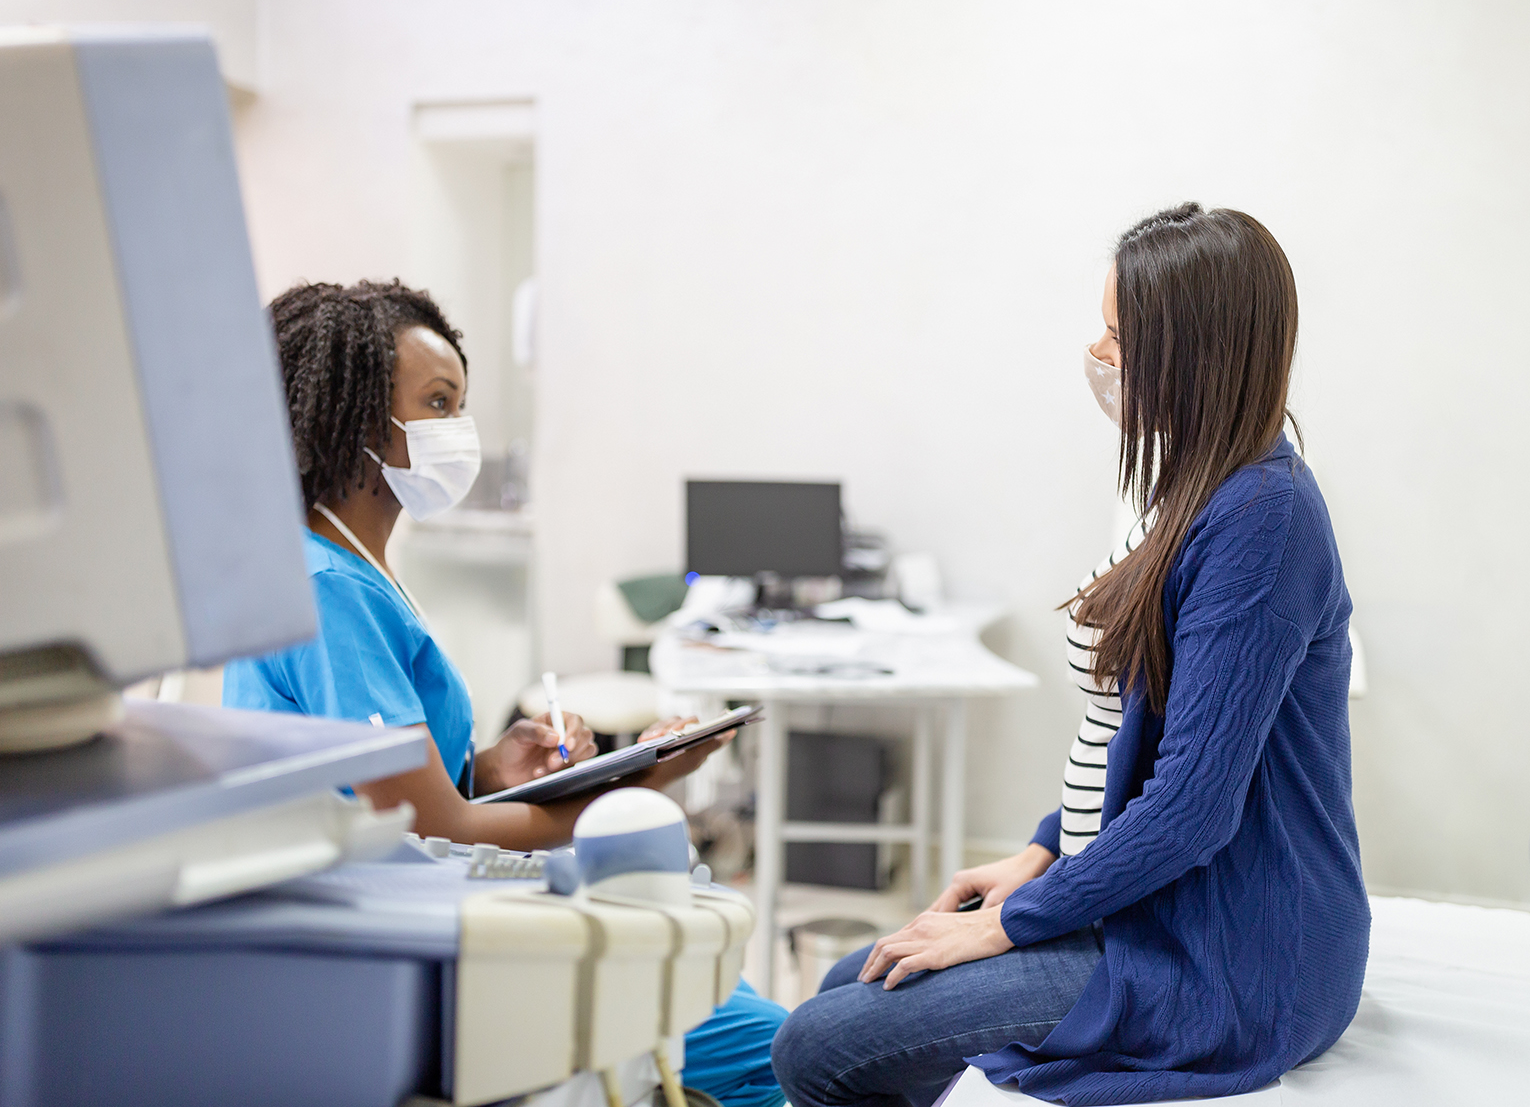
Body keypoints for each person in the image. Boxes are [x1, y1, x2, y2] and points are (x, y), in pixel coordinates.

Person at [771, 205, 1369, 1106]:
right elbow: (1136, 732)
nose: (1100, 353)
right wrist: (1045, 851)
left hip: (1221, 952)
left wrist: (1012, 924)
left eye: (1122, 335)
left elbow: (1193, 809)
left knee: (817, 1046)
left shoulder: (1263, 518)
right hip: (1138, 908)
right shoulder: (1205, 486)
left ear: (1191, 353)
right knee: (848, 985)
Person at [223, 279, 785, 1107]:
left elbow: (401, 787)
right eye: (438, 403)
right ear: (353, 417)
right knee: (781, 1052)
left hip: (415, 893)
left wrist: (497, 764)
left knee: (766, 1030)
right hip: (404, 931)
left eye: (462, 404)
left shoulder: (353, 571)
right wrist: (636, 786)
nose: (460, 432)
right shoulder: (326, 587)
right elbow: (431, 826)